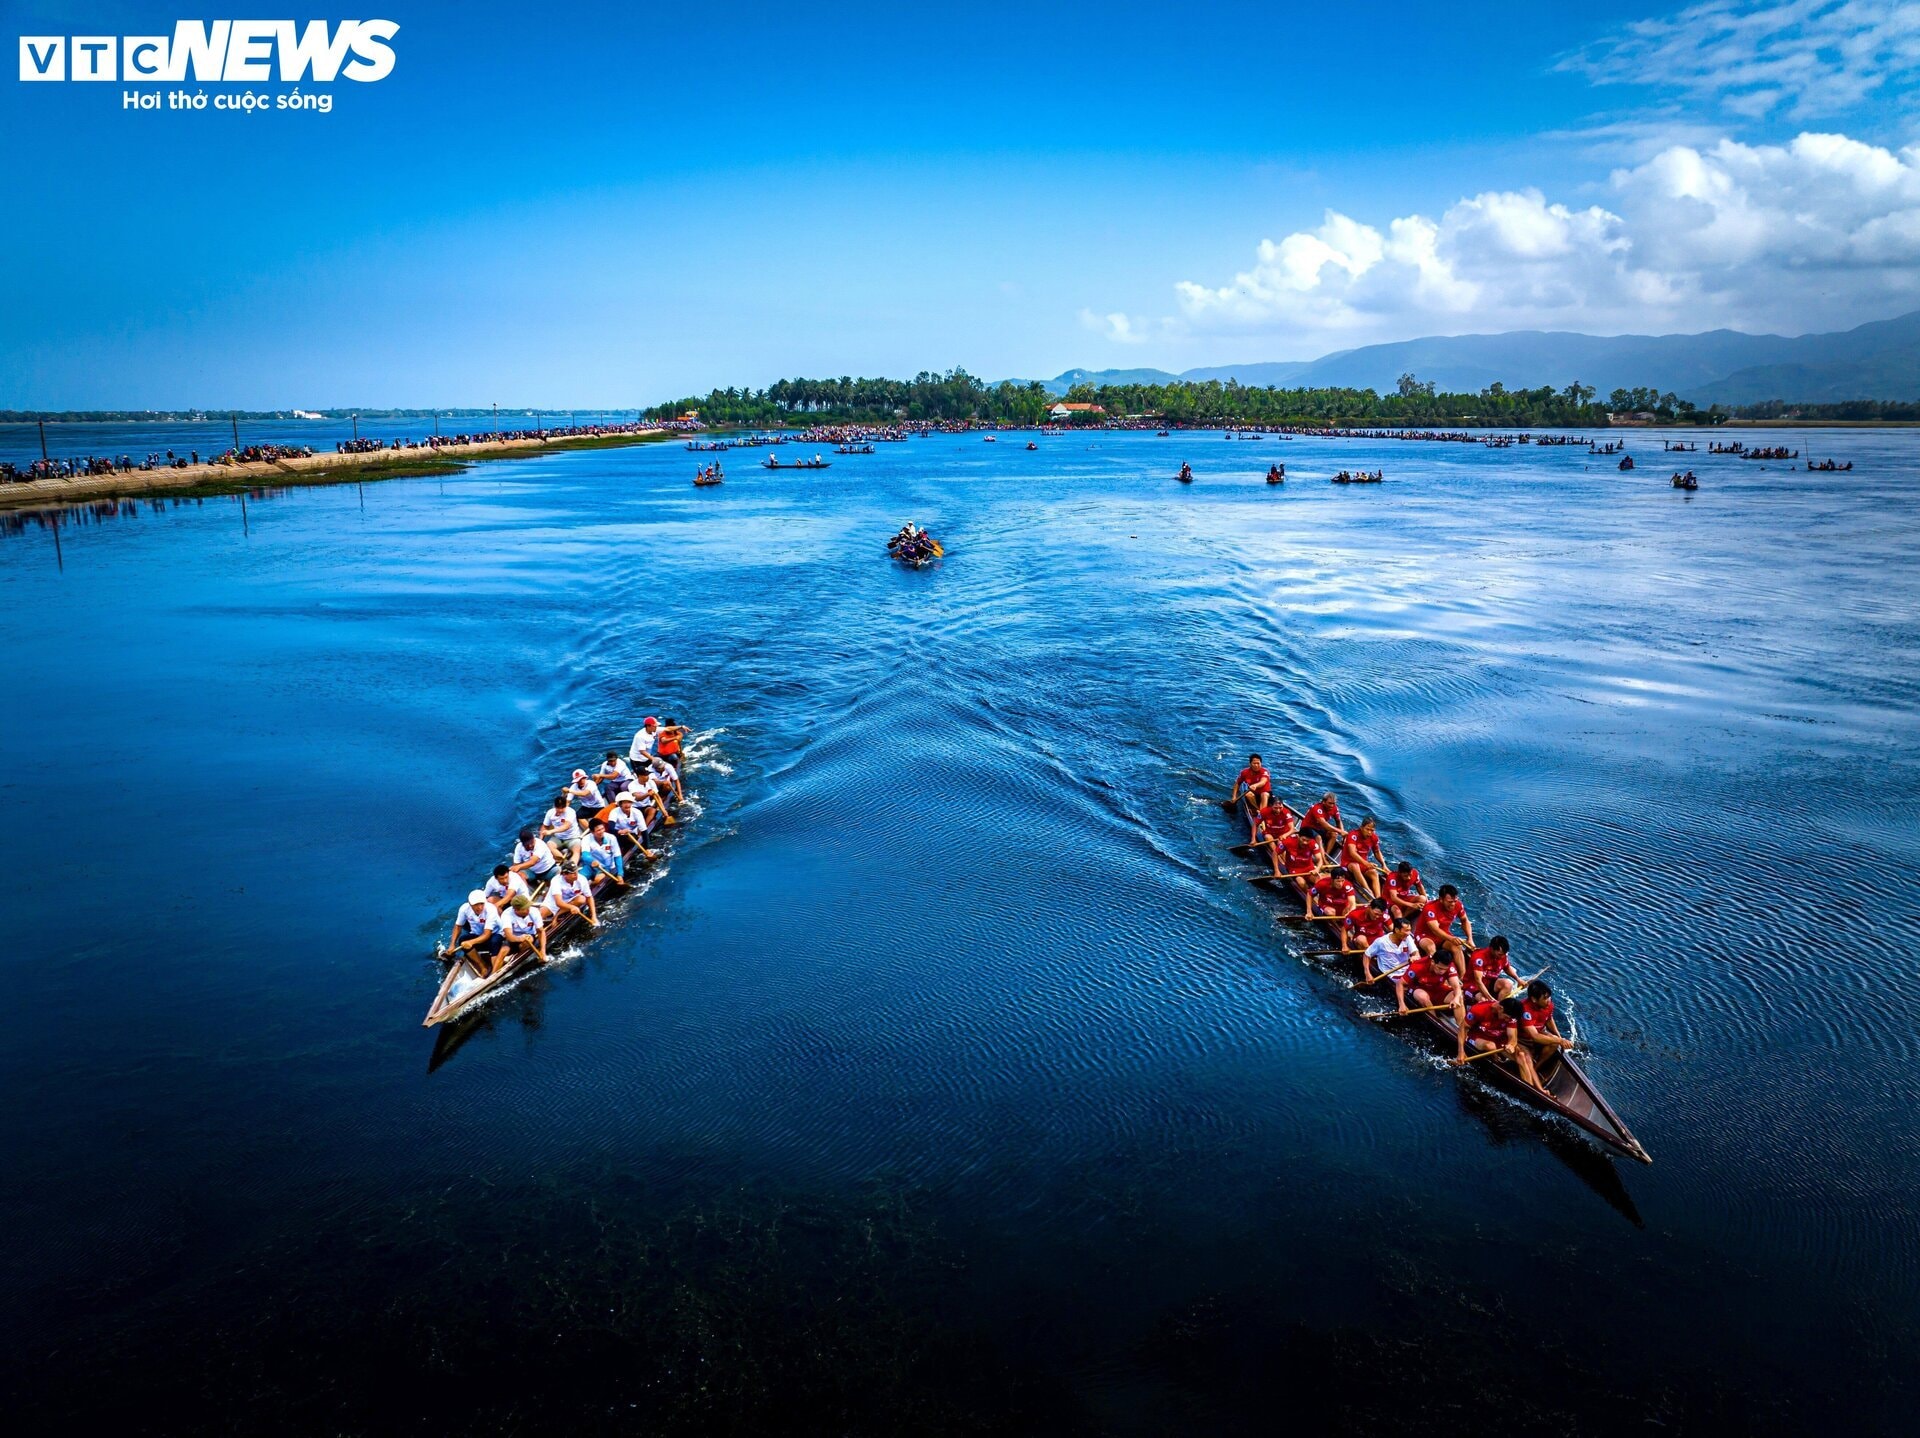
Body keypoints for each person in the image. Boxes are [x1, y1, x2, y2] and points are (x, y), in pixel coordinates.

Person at [1454, 996, 1546, 1093]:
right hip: (1476, 1036)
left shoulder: (1510, 1015)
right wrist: (1461, 1052)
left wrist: (1511, 1044)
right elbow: (1463, 1029)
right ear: (1500, 1009)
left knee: (1521, 1055)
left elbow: (1513, 1037)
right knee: (1490, 1046)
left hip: (1497, 1037)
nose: (1507, 1020)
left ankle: (1530, 1090)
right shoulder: (1478, 1009)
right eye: (1506, 1017)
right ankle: (1496, 1059)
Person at [1515, 980, 1574, 1070]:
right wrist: (1560, 1041)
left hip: (1539, 1032)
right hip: (1522, 1038)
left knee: (1555, 1042)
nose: (1548, 1001)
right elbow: (1535, 1036)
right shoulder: (1524, 1010)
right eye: (1545, 998)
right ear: (1534, 999)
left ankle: (1537, 1066)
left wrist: (1559, 1037)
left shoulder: (1549, 1005)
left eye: (1549, 997)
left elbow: (1549, 1020)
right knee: (1526, 1058)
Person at [445, 889, 503, 975]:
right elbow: (458, 926)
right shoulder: (464, 909)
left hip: (495, 934)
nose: (479, 907)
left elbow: (487, 935)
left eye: (482, 904)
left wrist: (471, 942)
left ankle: (495, 970)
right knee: (462, 940)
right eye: (476, 905)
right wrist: (452, 944)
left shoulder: (490, 909)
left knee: (494, 941)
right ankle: (483, 967)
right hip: (478, 934)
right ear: (470, 904)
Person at [1395, 944, 1463, 1016]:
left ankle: (1462, 1026)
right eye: (1440, 968)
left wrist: (1456, 998)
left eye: (1445, 969)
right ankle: (1435, 1019)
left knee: (1459, 997)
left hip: (1437, 989)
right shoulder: (1418, 966)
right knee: (1422, 997)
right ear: (1433, 962)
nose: (1442, 971)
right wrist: (1401, 1004)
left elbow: (1456, 986)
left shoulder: (1450, 965)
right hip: (1419, 989)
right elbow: (1400, 984)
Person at [1415, 883, 1472, 965]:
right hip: (1425, 935)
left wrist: (1470, 938)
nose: (1453, 904)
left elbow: (1465, 921)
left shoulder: (1458, 905)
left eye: (1454, 901)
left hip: (1443, 935)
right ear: (1441, 899)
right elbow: (1435, 930)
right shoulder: (1430, 908)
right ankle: (1433, 973)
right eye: (1449, 902)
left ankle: (1460, 976)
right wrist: (1452, 939)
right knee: (1431, 948)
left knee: (1457, 947)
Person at [1362, 911, 1418, 983]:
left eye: (1410, 930)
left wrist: (1415, 956)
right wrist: (1367, 973)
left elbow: (1415, 953)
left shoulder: (1408, 937)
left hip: (1407, 971)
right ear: (1397, 930)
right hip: (1392, 974)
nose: (1409, 933)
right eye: (1406, 931)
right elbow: (1367, 955)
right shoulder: (1381, 942)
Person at [606, 790, 660, 860]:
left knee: (631, 840)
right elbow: (611, 828)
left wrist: (647, 848)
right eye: (625, 802)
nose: (627, 805)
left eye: (629, 802)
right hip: (617, 834)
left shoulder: (637, 812)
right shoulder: (614, 812)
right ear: (620, 804)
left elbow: (644, 831)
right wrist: (620, 831)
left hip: (632, 834)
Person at [1340, 817, 1385, 898]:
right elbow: (1352, 852)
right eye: (1367, 829)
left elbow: (1377, 852)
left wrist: (1384, 865)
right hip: (1348, 863)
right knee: (1355, 866)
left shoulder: (1374, 838)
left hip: (1361, 864)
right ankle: (1368, 891)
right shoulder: (1353, 835)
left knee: (1374, 872)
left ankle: (1378, 898)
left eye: (1372, 830)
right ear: (1361, 827)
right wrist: (1366, 863)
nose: (1369, 832)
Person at [543, 863, 599, 929]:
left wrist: (594, 916)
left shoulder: (582, 879)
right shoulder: (556, 881)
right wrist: (571, 907)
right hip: (553, 902)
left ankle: (557, 915)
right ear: (564, 874)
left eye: (576, 872)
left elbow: (589, 897)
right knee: (541, 913)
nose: (576, 875)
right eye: (573, 873)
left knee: (582, 899)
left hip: (571, 900)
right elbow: (558, 902)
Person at [498, 893, 548, 966]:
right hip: (513, 937)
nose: (528, 910)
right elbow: (509, 936)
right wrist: (520, 938)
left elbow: (541, 931)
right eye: (525, 908)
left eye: (528, 907)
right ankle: (492, 975)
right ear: (516, 910)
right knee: (503, 951)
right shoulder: (506, 914)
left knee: (527, 941)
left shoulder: (534, 911)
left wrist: (543, 951)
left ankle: (515, 957)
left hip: (529, 935)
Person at [1278, 826, 1325, 904]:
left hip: (1309, 868)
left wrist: (1317, 869)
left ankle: (1322, 899)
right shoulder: (1288, 842)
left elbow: (1320, 860)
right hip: (1294, 869)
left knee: (1319, 880)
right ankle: (1310, 897)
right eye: (1303, 840)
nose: (1305, 843)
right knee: (1301, 883)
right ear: (1298, 836)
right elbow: (1275, 853)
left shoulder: (1313, 843)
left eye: (1307, 841)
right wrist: (1277, 870)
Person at [1466, 935, 1517, 1002]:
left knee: (1508, 985)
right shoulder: (1479, 958)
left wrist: (1518, 980)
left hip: (1488, 983)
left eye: (1504, 954)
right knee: (1483, 1000)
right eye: (1500, 954)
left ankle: (1499, 1007)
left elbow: (1507, 968)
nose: (1503, 957)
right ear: (1492, 949)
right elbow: (1478, 981)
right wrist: (1491, 999)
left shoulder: (1502, 956)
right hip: (1473, 986)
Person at [540, 795, 584, 866]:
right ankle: (564, 861)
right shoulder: (550, 813)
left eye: (562, 808)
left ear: (566, 806)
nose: (560, 810)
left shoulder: (571, 812)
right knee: (549, 845)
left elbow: (566, 826)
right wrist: (540, 840)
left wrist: (551, 831)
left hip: (573, 838)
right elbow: (545, 826)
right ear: (554, 806)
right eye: (558, 808)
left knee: (577, 850)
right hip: (558, 838)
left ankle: (572, 867)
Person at [581, 818, 627, 887]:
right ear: (592, 832)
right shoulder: (586, 839)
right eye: (598, 830)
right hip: (591, 865)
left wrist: (620, 874)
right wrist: (592, 861)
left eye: (603, 828)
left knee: (598, 881)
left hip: (606, 867)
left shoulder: (611, 838)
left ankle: (590, 884)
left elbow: (617, 856)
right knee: (578, 879)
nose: (602, 831)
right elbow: (585, 855)